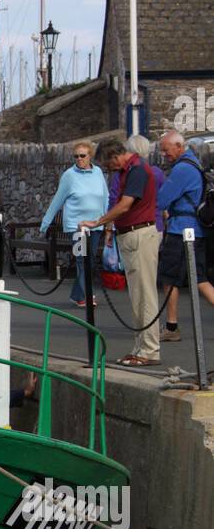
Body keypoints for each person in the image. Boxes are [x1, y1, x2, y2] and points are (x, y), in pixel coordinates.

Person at [80, 138, 161, 366]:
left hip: (140, 234)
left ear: (115, 156)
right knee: (138, 297)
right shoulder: (130, 170)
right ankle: (141, 347)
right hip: (133, 234)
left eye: (108, 164)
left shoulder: (136, 170)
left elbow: (125, 204)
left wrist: (98, 222)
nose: (108, 168)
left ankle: (149, 350)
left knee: (144, 296)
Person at [156, 128, 214, 340]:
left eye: (166, 150)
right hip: (196, 230)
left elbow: (161, 200)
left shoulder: (182, 170)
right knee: (199, 278)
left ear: (179, 147)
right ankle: (172, 327)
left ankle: (171, 328)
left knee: (169, 277)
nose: (164, 154)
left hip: (180, 229)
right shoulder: (195, 166)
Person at [39, 140, 109, 307]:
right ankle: (85, 295)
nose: (79, 159)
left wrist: (108, 221)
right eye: (76, 156)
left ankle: (77, 294)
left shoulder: (98, 172)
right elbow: (58, 199)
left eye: (82, 156)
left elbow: (106, 197)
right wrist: (46, 222)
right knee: (81, 259)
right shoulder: (69, 175)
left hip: (96, 224)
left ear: (90, 156)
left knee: (90, 260)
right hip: (77, 226)